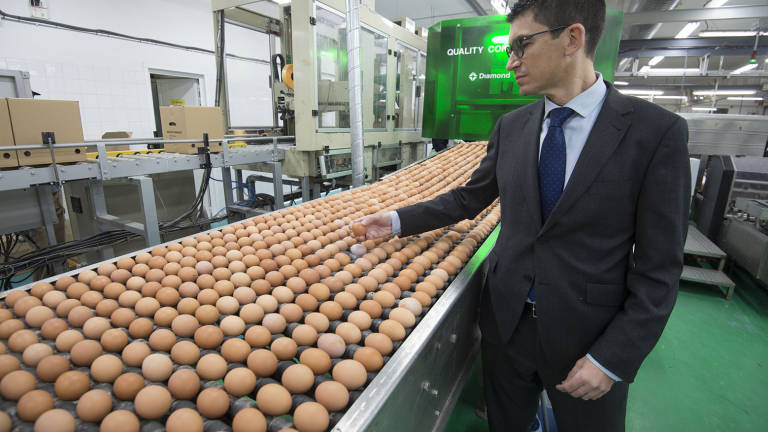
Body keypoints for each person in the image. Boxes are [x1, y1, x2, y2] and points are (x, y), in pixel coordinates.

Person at [357, 1, 691, 431]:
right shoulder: (512, 127)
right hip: (506, 327)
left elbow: (659, 266)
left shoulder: (654, 132)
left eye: (522, 45)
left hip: (588, 337)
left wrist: (613, 358)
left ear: (572, 38)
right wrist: (398, 220)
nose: (511, 61)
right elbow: (468, 199)